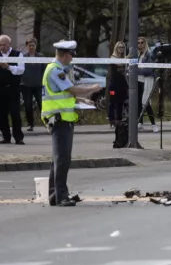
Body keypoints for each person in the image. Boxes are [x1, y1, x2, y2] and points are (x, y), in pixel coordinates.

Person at [43, 40, 101, 207]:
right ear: (65, 55)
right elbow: (70, 89)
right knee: (62, 158)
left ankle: (56, 194)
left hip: (61, 118)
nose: (72, 59)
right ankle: (60, 196)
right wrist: (92, 88)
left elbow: (64, 94)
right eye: (71, 56)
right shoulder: (55, 70)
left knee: (58, 158)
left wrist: (81, 100)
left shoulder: (57, 69)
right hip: (59, 118)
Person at [0, 34, 25, 144]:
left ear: (9, 44)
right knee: (1, 114)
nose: (2, 47)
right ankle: (6, 137)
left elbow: (21, 70)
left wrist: (8, 67)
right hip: (1, 89)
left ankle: (18, 137)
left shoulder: (17, 54)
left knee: (15, 114)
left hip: (13, 89)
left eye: (4, 45)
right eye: (0, 45)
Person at [134, 37, 158, 132]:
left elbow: (148, 70)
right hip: (138, 81)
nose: (140, 44)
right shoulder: (138, 55)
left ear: (145, 43)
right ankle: (140, 122)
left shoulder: (149, 54)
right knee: (139, 102)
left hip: (147, 80)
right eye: (138, 43)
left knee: (146, 102)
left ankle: (153, 124)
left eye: (142, 42)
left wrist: (138, 71)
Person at [20, 38, 44, 132]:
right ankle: (31, 124)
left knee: (42, 104)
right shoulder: (23, 57)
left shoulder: (41, 56)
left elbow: (44, 70)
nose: (31, 47)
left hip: (38, 85)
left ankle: (47, 123)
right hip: (26, 86)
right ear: (27, 46)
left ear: (36, 46)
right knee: (28, 105)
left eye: (33, 45)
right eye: (29, 45)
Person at [107, 42, 129, 128]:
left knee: (121, 103)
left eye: (123, 47)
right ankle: (112, 120)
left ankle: (119, 120)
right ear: (116, 48)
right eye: (119, 47)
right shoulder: (113, 57)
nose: (121, 49)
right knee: (113, 102)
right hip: (113, 85)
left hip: (122, 84)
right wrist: (127, 58)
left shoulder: (124, 58)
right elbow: (119, 64)